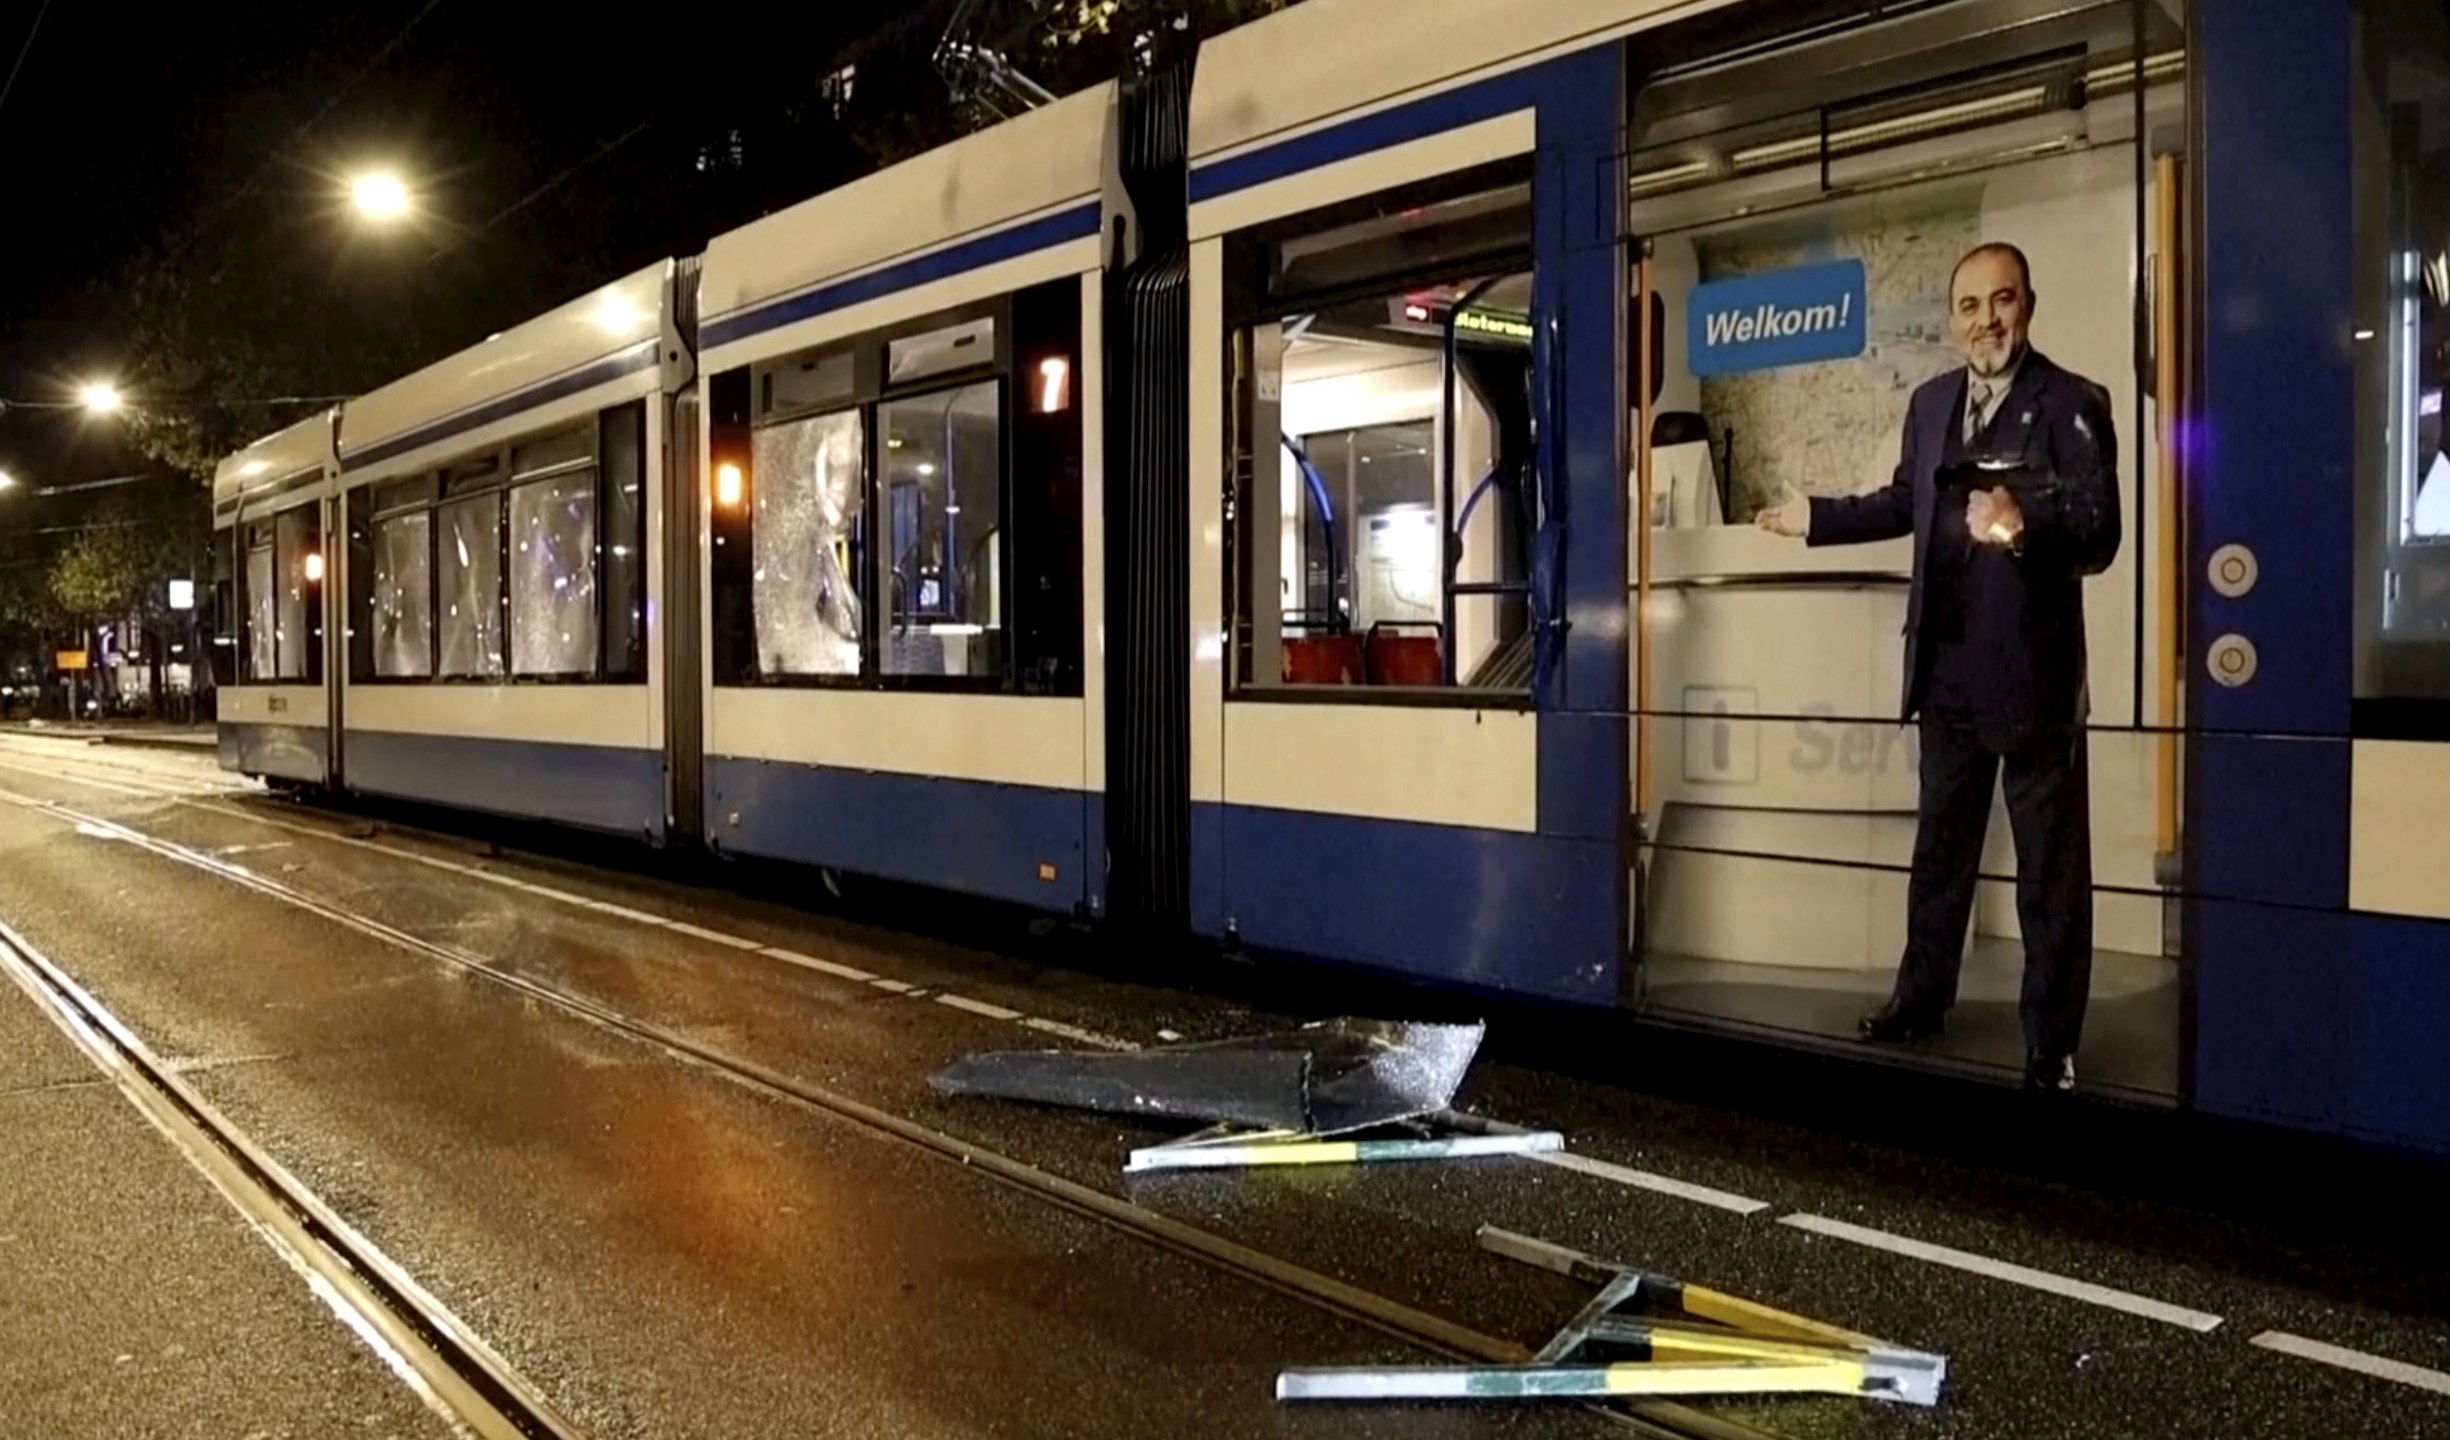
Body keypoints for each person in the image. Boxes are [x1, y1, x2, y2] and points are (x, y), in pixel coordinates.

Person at [1758, 241, 2119, 1093]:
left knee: (2050, 875)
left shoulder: (2071, 402)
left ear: (2028, 303)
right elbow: (1901, 502)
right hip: (1946, 672)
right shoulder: (1929, 405)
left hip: (2033, 681)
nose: (1986, 319)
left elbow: (2100, 533)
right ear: (1952, 317)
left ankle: (2051, 1044)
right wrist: (1813, 518)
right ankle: (1921, 1001)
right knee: (1941, 855)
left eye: (2002, 301)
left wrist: (2022, 521)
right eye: (1970, 305)